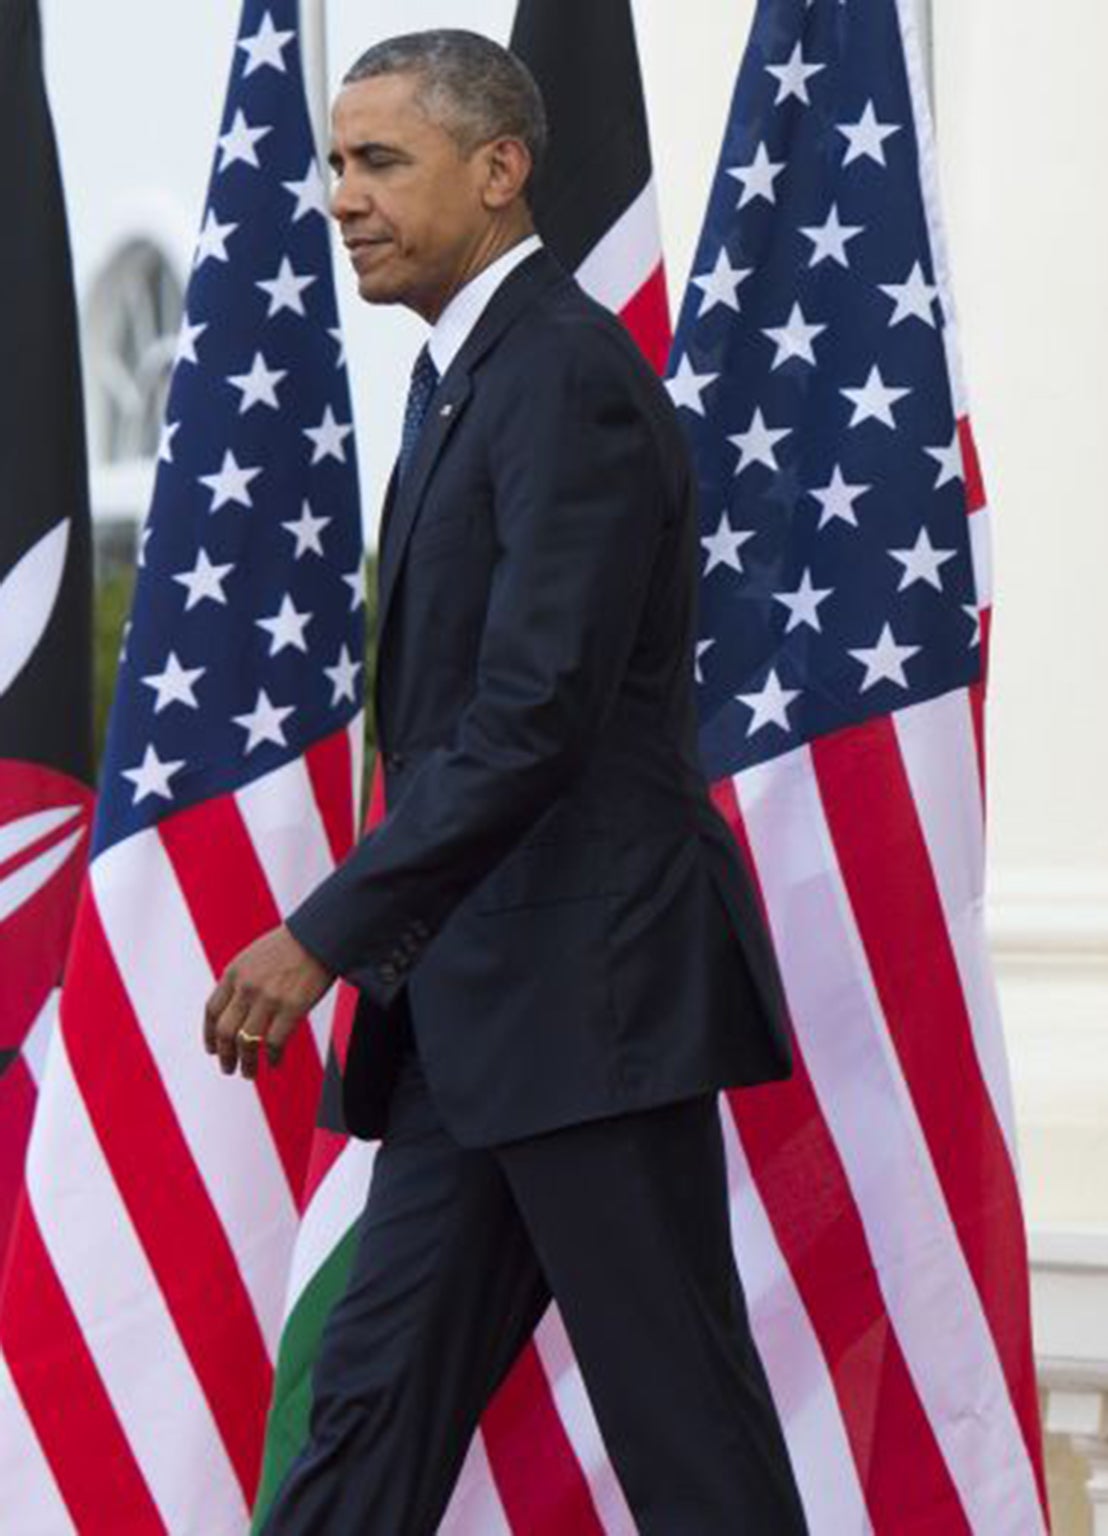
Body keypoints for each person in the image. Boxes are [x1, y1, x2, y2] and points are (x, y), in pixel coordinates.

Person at [201, 31, 807, 1533]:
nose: (343, 195)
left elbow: (536, 714)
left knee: (690, 1442)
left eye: (381, 160)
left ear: (499, 168)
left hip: (590, 1007)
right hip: (478, 1021)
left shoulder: (562, 380)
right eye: (338, 163)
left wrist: (325, 930)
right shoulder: (466, 381)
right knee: (369, 1414)